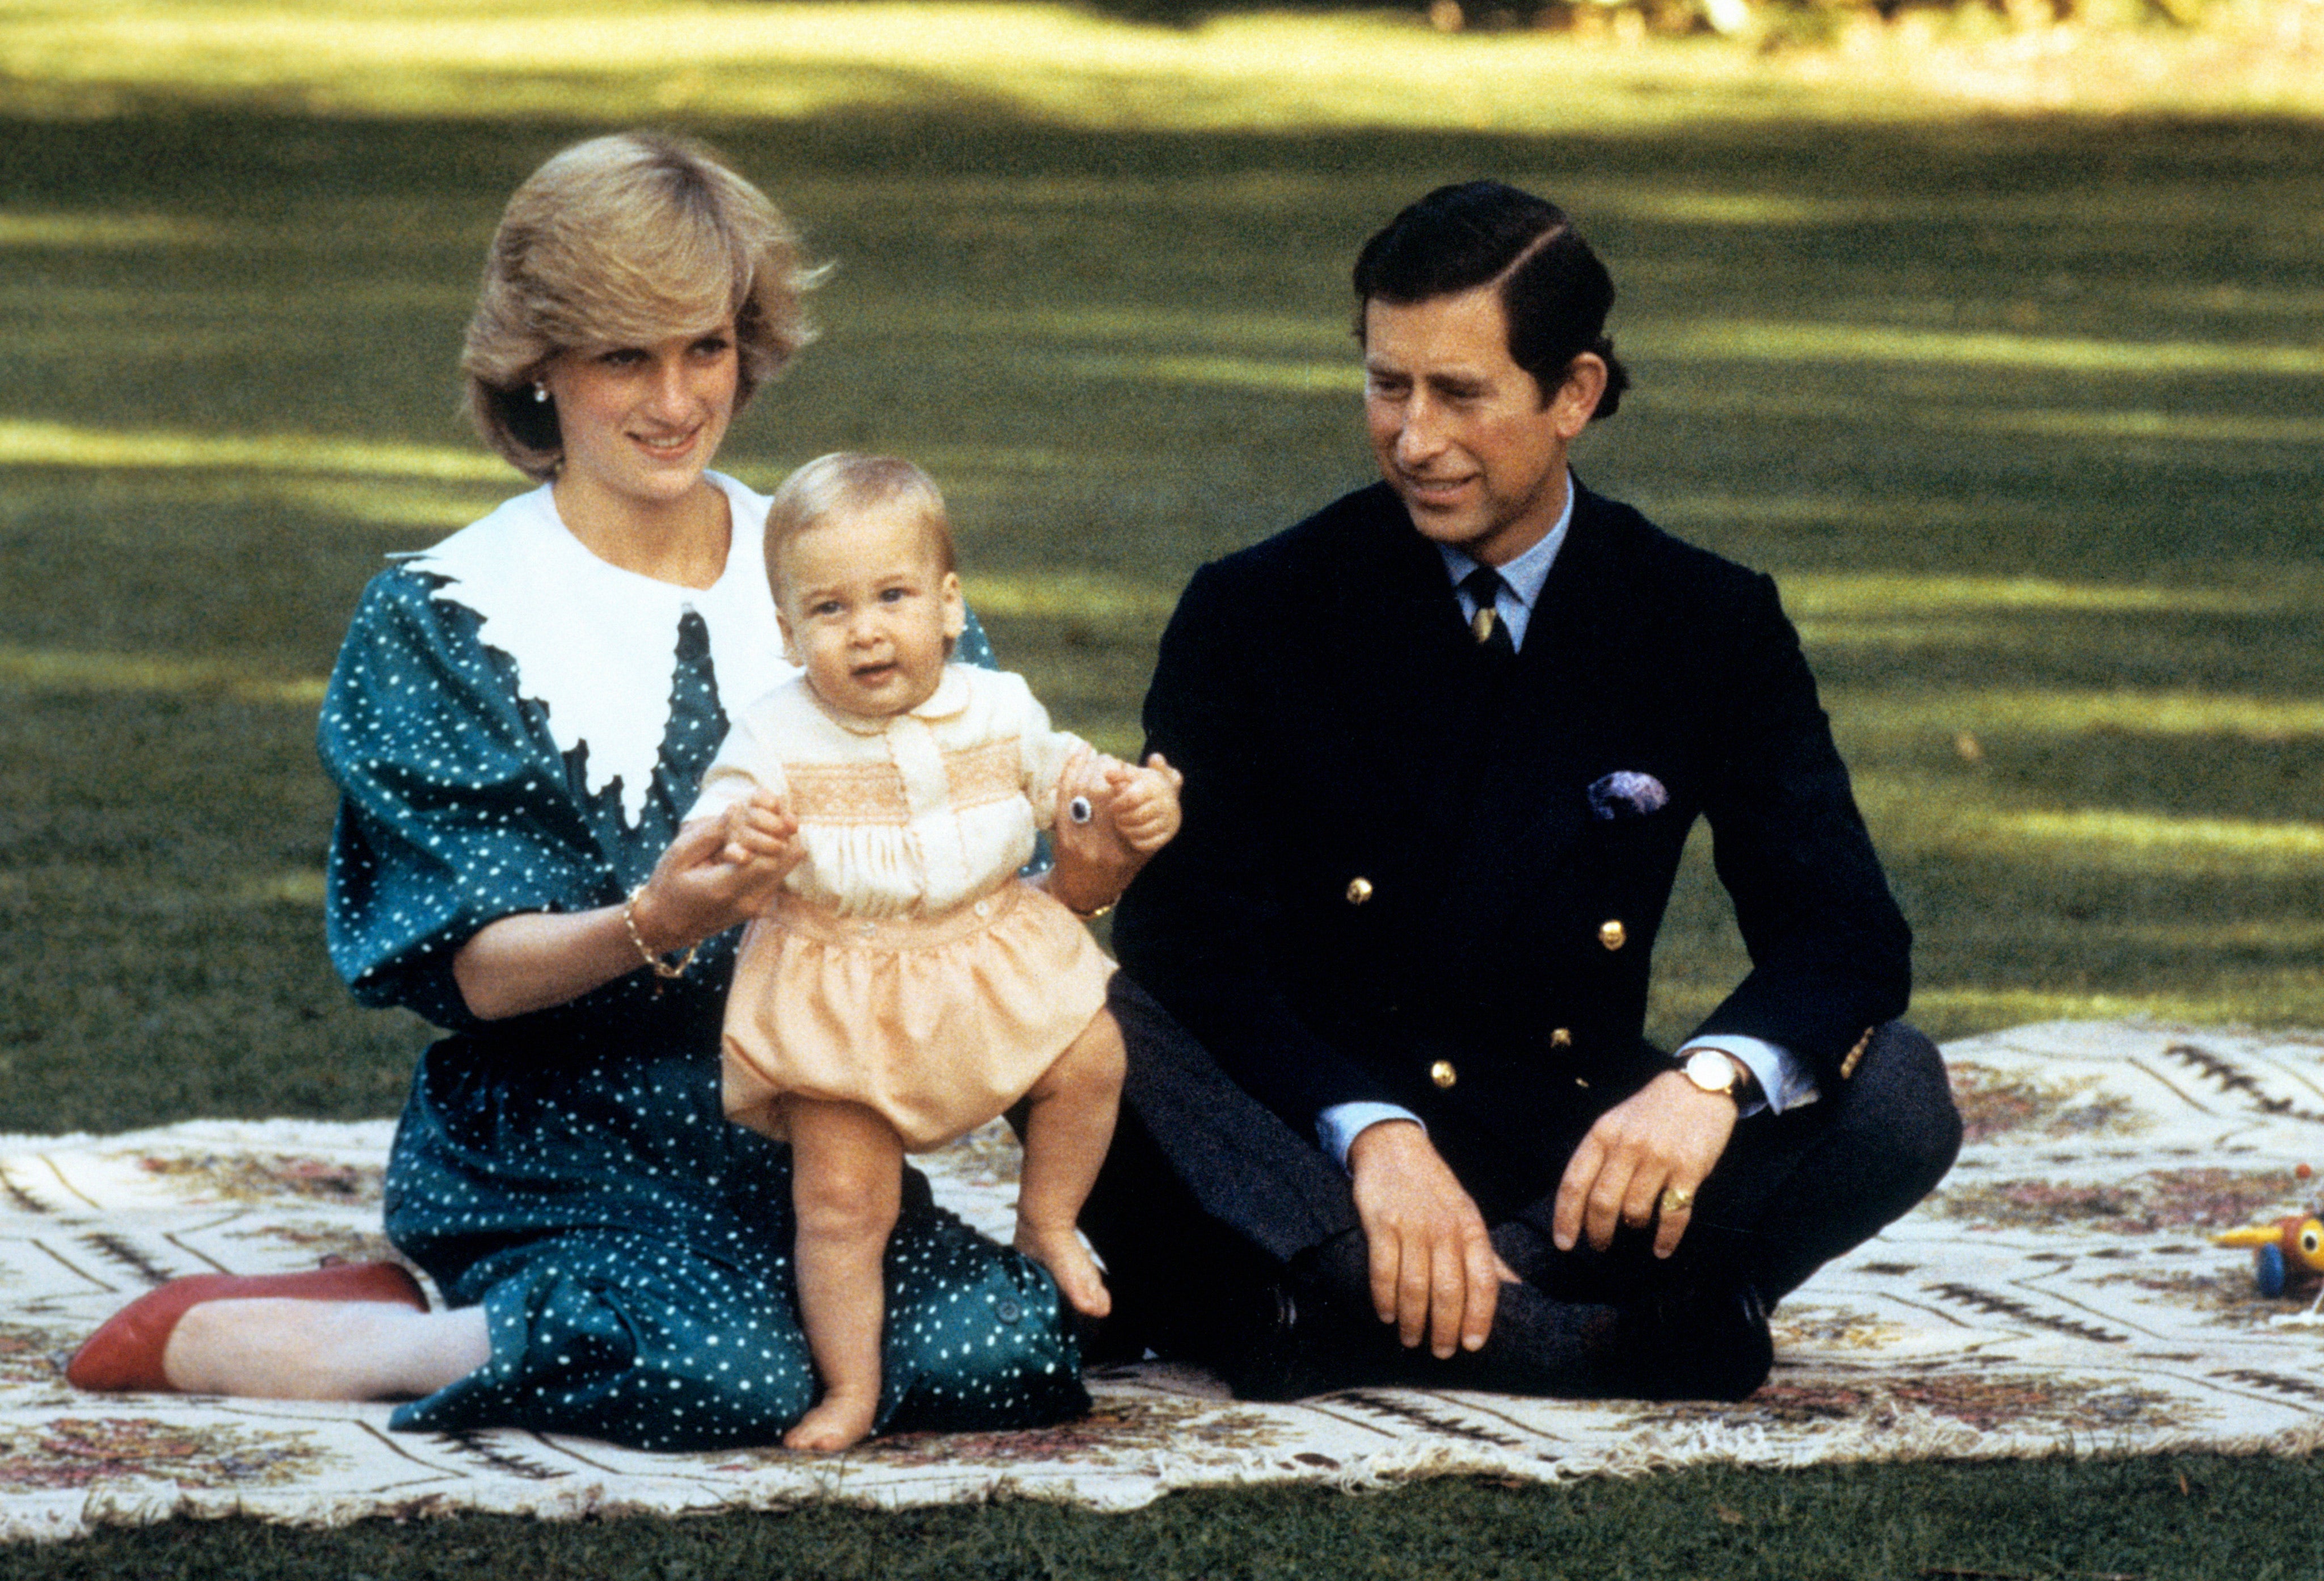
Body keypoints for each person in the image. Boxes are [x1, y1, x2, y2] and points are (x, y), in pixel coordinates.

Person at [64, 132, 1150, 1450]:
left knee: (1007, 1351)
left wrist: (1085, 872)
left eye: (705, 347)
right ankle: (373, 1335)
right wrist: (660, 918)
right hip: (549, 1131)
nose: (676, 399)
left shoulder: (846, 572)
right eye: (623, 356)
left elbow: (970, 897)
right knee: (730, 1374)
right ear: (539, 367)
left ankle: (545, 1316)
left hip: (814, 1124)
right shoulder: (444, 616)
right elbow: (472, 973)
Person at [1081, 180, 1964, 1403]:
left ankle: (1325, 1315)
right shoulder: (1254, 610)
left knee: (1900, 1091)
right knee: (1075, 1018)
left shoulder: (1702, 619)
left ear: (1575, 395)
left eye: (1459, 393)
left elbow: (1844, 933)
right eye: (1386, 385)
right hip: (1308, 1142)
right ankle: (1583, 1339)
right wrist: (1372, 1130)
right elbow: (1187, 947)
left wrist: (1705, 1085)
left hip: (1562, 1156)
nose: (1412, 437)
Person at [685, 452, 1181, 1450]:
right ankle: (852, 1387)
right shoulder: (775, 735)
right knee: (839, 1201)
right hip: (843, 985)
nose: (865, 629)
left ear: (950, 606)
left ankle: (1046, 1216)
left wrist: (1132, 799)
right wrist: (743, 838)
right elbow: (718, 814)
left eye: (893, 596)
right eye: (827, 609)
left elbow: (1068, 780)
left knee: (1095, 1053)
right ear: (786, 633)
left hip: (984, 953)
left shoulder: (996, 708)